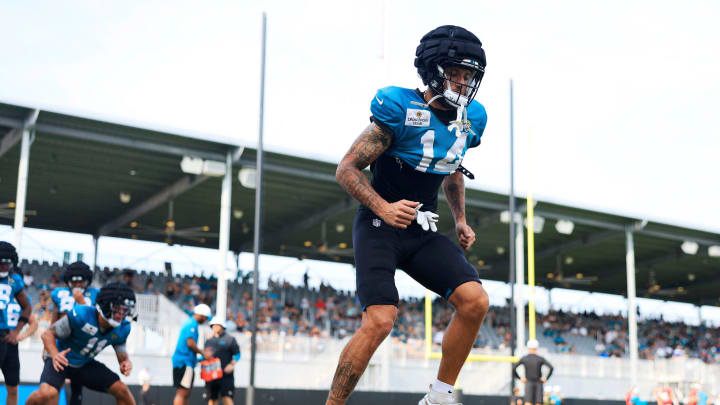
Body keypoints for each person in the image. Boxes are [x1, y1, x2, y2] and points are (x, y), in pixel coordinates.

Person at [328, 25, 489, 405]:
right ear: (435, 69)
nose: (464, 83)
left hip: (422, 229)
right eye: (456, 73)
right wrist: (383, 206)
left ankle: (438, 397)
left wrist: (460, 219)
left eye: (469, 76)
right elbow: (347, 168)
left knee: (475, 301)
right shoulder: (400, 107)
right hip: (378, 224)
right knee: (381, 320)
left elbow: (451, 168)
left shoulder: (471, 118)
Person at [25, 282, 137, 405]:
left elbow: (122, 354)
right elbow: (47, 334)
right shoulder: (82, 314)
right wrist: (55, 354)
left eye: (125, 310)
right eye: (117, 308)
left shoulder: (123, 328)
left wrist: (126, 362)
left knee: (122, 390)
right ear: (105, 305)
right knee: (47, 394)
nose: (121, 314)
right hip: (62, 358)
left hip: (84, 363)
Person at [50, 261, 99, 405]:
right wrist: (48, 347)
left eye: (81, 281)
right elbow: (53, 322)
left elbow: (95, 319)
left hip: (80, 347)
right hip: (61, 345)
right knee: (54, 386)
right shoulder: (59, 293)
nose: (77, 284)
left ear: (87, 280)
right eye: (74, 281)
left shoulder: (95, 294)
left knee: (77, 388)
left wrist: (82, 301)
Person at [0, 241, 32, 399]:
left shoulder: (14, 280)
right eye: (1, 263)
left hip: (6, 337)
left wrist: (17, 331)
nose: (4, 267)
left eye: (7, 263)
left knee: (12, 386)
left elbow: (27, 307)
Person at [172, 303, 212, 405]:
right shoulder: (192, 324)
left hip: (184, 361)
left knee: (185, 392)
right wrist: (203, 353)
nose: (205, 320)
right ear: (201, 315)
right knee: (183, 392)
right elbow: (190, 343)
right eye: (205, 317)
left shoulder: (189, 323)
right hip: (184, 362)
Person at [3, 295, 38, 405]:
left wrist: (20, 335)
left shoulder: (20, 298)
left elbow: (33, 323)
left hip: (10, 348)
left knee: (13, 388)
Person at [202, 318, 240, 405]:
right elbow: (204, 355)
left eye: (217, 325)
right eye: (213, 325)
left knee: (226, 397)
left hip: (225, 375)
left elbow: (237, 354)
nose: (215, 327)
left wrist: (231, 364)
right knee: (212, 399)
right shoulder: (209, 341)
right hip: (211, 375)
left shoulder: (230, 339)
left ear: (222, 326)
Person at [513, 340, 554, 405]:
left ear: (528, 348)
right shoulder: (540, 358)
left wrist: (520, 378)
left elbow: (514, 368)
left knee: (528, 402)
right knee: (538, 402)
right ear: (536, 348)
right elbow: (551, 368)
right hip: (538, 382)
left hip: (528, 382)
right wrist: (546, 378)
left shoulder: (525, 358)